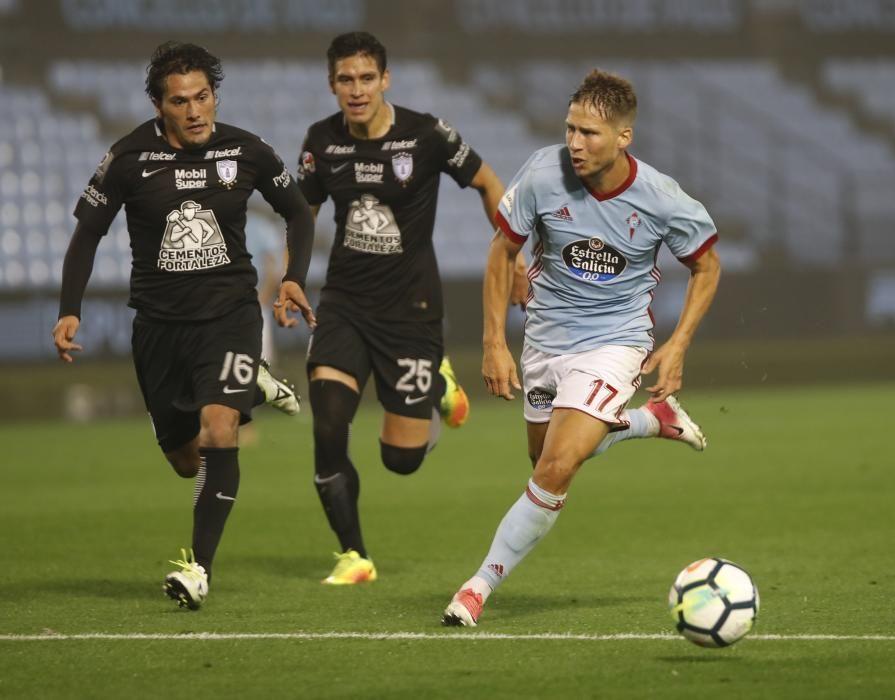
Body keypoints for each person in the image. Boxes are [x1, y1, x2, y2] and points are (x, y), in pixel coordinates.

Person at [442, 69, 722, 626]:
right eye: (570, 129)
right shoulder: (544, 173)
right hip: (544, 337)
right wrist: (494, 341)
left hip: (615, 342)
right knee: (546, 456)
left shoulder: (662, 198)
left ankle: (477, 587)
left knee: (557, 467)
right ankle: (651, 422)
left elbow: (707, 265)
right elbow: (503, 253)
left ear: (624, 137)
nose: (574, 143)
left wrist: (679, 342)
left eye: (590, 133)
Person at [51, 41, 316, 610]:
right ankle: (256, 383)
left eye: (203, 97)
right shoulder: (126, 159)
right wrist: (69, 307)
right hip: (158, 329)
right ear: (157, 105)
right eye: (180, 101)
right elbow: (87, 235)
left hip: (228, 316)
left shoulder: (248, 151)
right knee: (185, 460)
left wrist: (294, 276)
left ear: (214, 96)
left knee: (222, 429)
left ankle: (197, 568)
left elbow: (298, 210)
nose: (195, 110)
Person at [296, 31, 527, 585]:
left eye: (366, 78)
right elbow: (301, 214)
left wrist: (513, 257)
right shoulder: (321, 141)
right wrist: (290, 278)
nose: (356, 90)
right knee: (328, 428)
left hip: (411, 310)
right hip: (344, 305)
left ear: (385, 80)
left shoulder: (426, 134)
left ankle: (437, 387)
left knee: (400, 461)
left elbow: (489, 182)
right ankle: (354, 554)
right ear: (332, 85)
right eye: (345, 80)